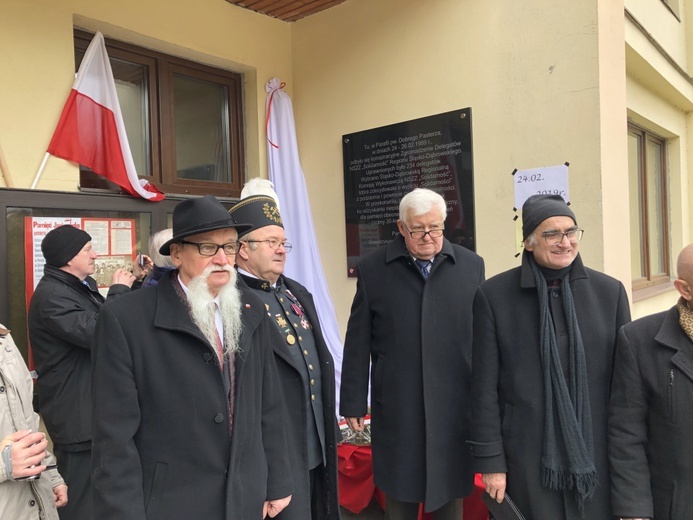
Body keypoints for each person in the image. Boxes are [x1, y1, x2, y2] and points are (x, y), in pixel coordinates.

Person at [91, 195, 293, 519]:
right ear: (176, 253)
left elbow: (268, 404)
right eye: (208, 248)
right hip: (170, 503)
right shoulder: (126, 319)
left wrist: (278, 480)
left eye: (229, 247)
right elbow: (114, 439)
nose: (223, 259)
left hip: (243, 497)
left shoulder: (251, 308)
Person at [469, 194, 630, 520]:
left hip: (596, 450)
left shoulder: (609, 293)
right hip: (527, 455)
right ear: (528, 242)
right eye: (551, 234)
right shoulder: (495, 297)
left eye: (571, 232)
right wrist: (491, 464)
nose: (565, 242)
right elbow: (483, 387)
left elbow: (628, 385)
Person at [340, 187, 485, 519]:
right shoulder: (374, 269)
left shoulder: (470, 267)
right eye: (417, 229)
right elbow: (358, 340)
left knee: (450, 492)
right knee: (400, 492)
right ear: (401, 227)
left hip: (453, 403)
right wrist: (352, 401)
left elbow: (481, 339)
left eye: (434, 228)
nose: (427, 237)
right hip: (398, 403)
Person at [229, 192, 340, 519]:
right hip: (276, 455)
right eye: (271, 242)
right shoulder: (232, 302)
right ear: (243, 250)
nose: (281, 250)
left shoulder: (295, 292)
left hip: (317, 443)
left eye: (284, 243)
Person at [27, 224, 141, 520]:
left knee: (101, 497)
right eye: (87, 249)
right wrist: (117, 291)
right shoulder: (52, 296)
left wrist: (136, 286)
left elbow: (115, 323)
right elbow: (99, 332)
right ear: (68, 258)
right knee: (80, 502)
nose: (95, 254)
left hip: (91, 412)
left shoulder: (77, 287)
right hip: (76, 417)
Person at [609, 242, 693, 520]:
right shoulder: (640, 341)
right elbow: (627, 435)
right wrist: (634, 512)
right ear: (685, 289)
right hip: (678, 505)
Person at [0, 324, 68, 519]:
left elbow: (26, 423)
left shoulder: (4, 337)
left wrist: (52, 477)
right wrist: (4, 465)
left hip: (38, 505)